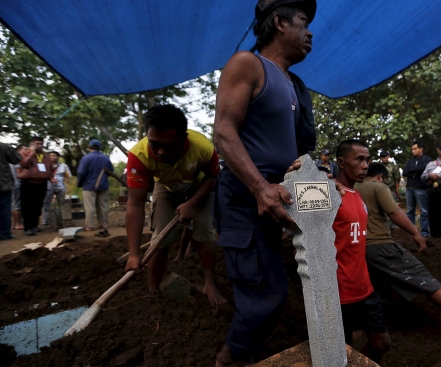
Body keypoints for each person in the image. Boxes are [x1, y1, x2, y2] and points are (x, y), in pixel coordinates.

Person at [213, 0, 317, 364]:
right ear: (279, 22)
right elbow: (224, 133)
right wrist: (259, 186)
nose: (310, 31)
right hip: (246, 200)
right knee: (265, 297)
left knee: (273, 292)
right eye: (303, 21)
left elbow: (291, 152)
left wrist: (316, 174)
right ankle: (229, 360)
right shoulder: (248, 64)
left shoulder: (294, 85)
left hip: (273, 201)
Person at [124, 104, 226, 306]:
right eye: (154, 144)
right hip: (165, 189)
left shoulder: (203, 148)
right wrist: (134, 253)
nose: (160, 152)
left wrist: (193, 202)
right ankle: (153, 292)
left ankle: (209, 284)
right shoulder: (138, 156)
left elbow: (213, 176)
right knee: (160, 239)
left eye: (169, 146)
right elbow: (135, 205)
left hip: (198, 188)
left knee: (205, 234)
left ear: (183, 138)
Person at [356, 163, 441, 330]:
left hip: (361, 249)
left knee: (376, 289)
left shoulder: (353, 190)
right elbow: (394, 213)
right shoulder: (378, 187)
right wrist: (416, 234)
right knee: (427, 281)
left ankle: (362, 329)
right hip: (382, 246)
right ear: (381, 177)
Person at [333, 140, 391, 363]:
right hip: (340, 293)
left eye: (367, 159)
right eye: (359, 159)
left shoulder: (356, 195)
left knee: (382, 342)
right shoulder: (330, 195)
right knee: (341, 353)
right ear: (341, 162)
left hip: (364, 288)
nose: (365, 165)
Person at [77, 139, 114, 237]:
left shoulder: (86, 158)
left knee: (89, 207)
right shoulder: (105, 158)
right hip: (103, 185)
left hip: (89, 185)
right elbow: (111, 171)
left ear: (90, 147)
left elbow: (81, 172)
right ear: (99, 147)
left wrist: (81, 182)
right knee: (103, 206)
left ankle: (89, 226)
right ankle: (104, 225)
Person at [18, 137, 54, 236]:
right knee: (28, 206)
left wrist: (51, 178)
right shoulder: (26, 153)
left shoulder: (46, 156)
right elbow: (23, 164)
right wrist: (32, 153)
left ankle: (34, 225)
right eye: (37, 144)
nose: (39, 145)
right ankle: (28, 227)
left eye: (41, 144)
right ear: (32, 144)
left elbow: (50, 169)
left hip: (42, 183)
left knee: (38, 205)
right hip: (29, 183)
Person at [402, 140, 431, 237]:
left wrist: (413, 171)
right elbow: (404, 172)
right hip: (409, 188)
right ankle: (411, 231)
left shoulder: (427, 159)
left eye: (415, 149)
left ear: (421, 149)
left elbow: (424, 169)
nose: (413, 151)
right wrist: (415, 172)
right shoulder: (410, 161)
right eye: (412, 149)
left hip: (421, 187)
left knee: (424, 211)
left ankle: (424, 232)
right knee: (410, 211)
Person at [42, 151, 72, 225]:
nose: (52, 157)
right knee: (46, 203)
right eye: (50, 155)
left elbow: (68, 176)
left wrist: (64, 184)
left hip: (60, 186)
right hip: (48, 186)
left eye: (54, 155)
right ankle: (45, 220)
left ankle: (62, 218)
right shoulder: (45, 165)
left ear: (58, 157)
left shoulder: (63, 166)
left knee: (61, 203)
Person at [1, 143, 22, 240]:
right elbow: (16, 159)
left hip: (4, 184)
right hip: (3, 183)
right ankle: (4, 233)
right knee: (5, 208)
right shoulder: (4, 147)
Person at [10, 144, 28, 231]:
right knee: (17, 205)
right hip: (17, 184)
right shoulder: (17, 160)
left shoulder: (10, 160)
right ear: (19, 150)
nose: (26, 151)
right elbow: (19, 173)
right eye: (25, 149)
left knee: (13, 204)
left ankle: (14, 224)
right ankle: (18, 224)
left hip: (11, 184)